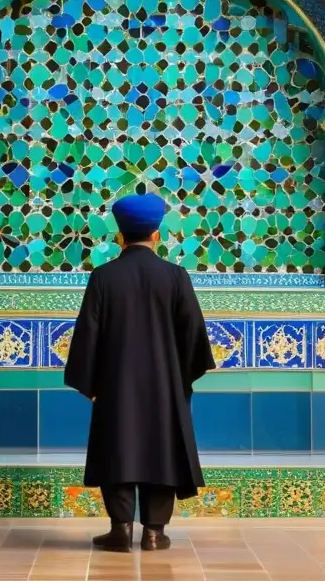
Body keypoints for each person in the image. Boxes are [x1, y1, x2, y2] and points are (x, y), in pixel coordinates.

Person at [64, 192, 215, 552]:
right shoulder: (176, 277)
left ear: (120, 236)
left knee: (118, 448)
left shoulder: (103, 277)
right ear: (157, 235)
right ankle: (153, 532)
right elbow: (194, 334)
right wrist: (180, 381)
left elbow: (88, 334)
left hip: (115, 387)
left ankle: (119, 530)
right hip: (165, 387)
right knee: (162, 451)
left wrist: (93, 384)